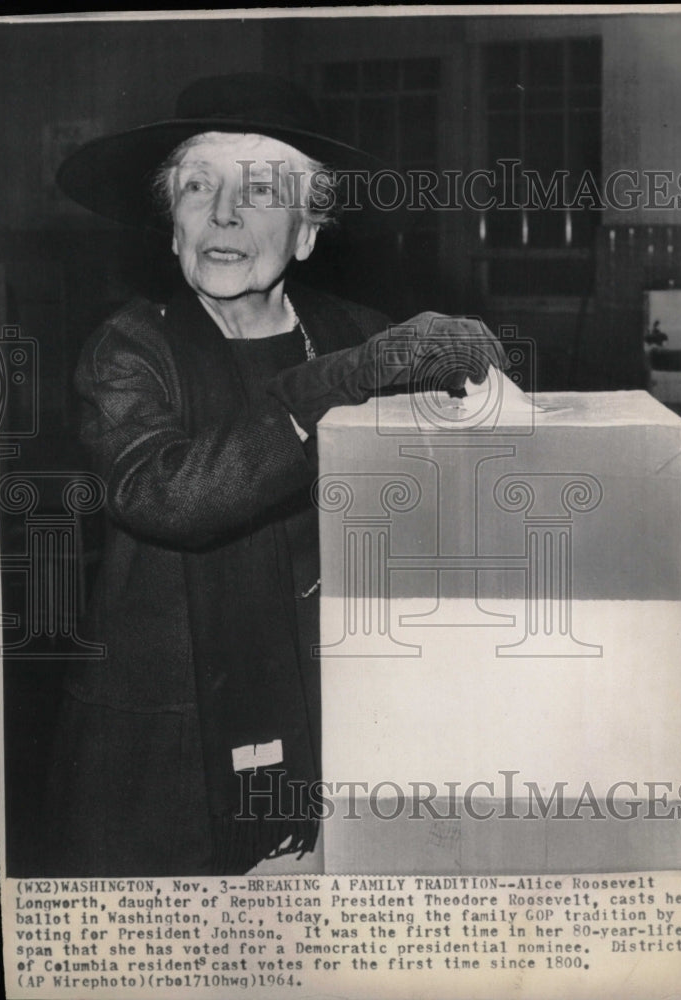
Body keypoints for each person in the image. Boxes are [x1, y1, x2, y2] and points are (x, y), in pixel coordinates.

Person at [42, 73, 506, 875]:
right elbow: (166, 494)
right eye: (198, 186)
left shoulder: (352, 335)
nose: (223, 214)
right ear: (173, 226)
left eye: (261, 190)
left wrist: (476, 378)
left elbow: (445, 505)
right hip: (168, 764)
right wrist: (334, 390)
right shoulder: (129, 351)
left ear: (306, 233)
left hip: (341, 728)